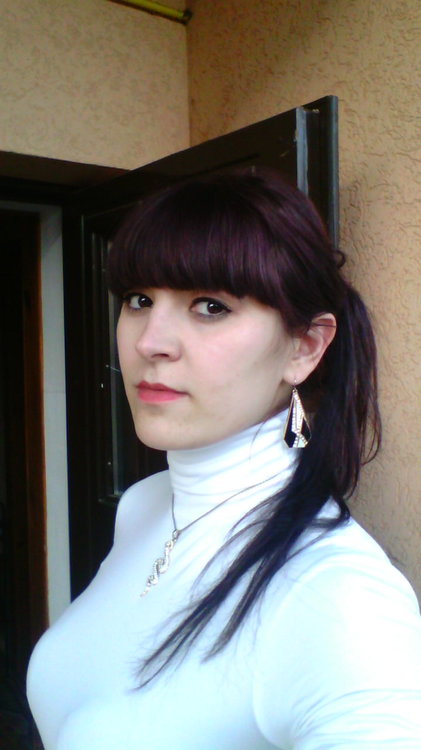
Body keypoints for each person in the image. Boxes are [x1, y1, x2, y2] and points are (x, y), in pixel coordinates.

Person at [27, 169, 421, 749]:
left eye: (210, 306)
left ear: (305, 347)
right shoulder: (145, 504)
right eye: (139, 300)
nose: (149, 342)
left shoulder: (336, 595)